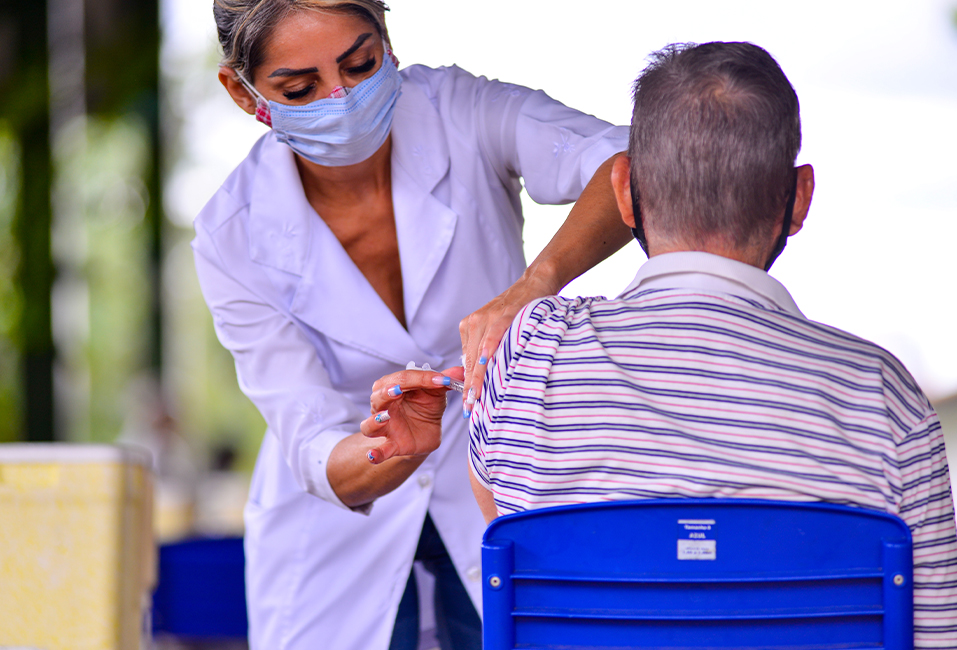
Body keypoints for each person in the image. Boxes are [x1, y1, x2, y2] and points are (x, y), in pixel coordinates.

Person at [364, 42, 957, 645]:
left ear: (623, 191)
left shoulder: (529, 357)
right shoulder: (881, 393)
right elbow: (935, 631)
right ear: (800, 198)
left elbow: (515, 553)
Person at [192, 1, 631, 649]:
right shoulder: (231, 233)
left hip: (502, 478)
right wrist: (388, 448)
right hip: (338, 525)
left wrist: (532, 290)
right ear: (242, 90)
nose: (340, 99)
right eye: (300, 88)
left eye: (360, 64)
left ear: (388, 43)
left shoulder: (462, 111)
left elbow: (629, 163)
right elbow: (310, 437)